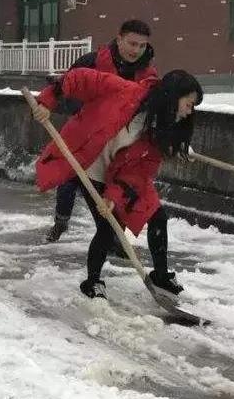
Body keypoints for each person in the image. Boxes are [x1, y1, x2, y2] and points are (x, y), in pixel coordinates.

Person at [31, 68, 203, 299]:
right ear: (173, 96)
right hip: (91, 165)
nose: (189, 111)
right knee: (108, 226)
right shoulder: (123, 90)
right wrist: (48, 100)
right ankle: (92, 281)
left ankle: (160, 277)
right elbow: (80, 78)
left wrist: (114, 196)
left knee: (157, 216)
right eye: (189, 104)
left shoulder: (160, 127)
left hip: (122, 174)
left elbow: (139, 171)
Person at [44, 19, 158, 242]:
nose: (136, 50)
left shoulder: (147, 75)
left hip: (117, 142)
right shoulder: (93, 61)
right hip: (85, 135)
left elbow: (150, 108)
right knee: (69, 180)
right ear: (119, 39)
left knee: (110, 188)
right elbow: (69, 84)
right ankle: (61, 222)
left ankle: (113, 238)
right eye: (132, 44)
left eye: (142, 46)